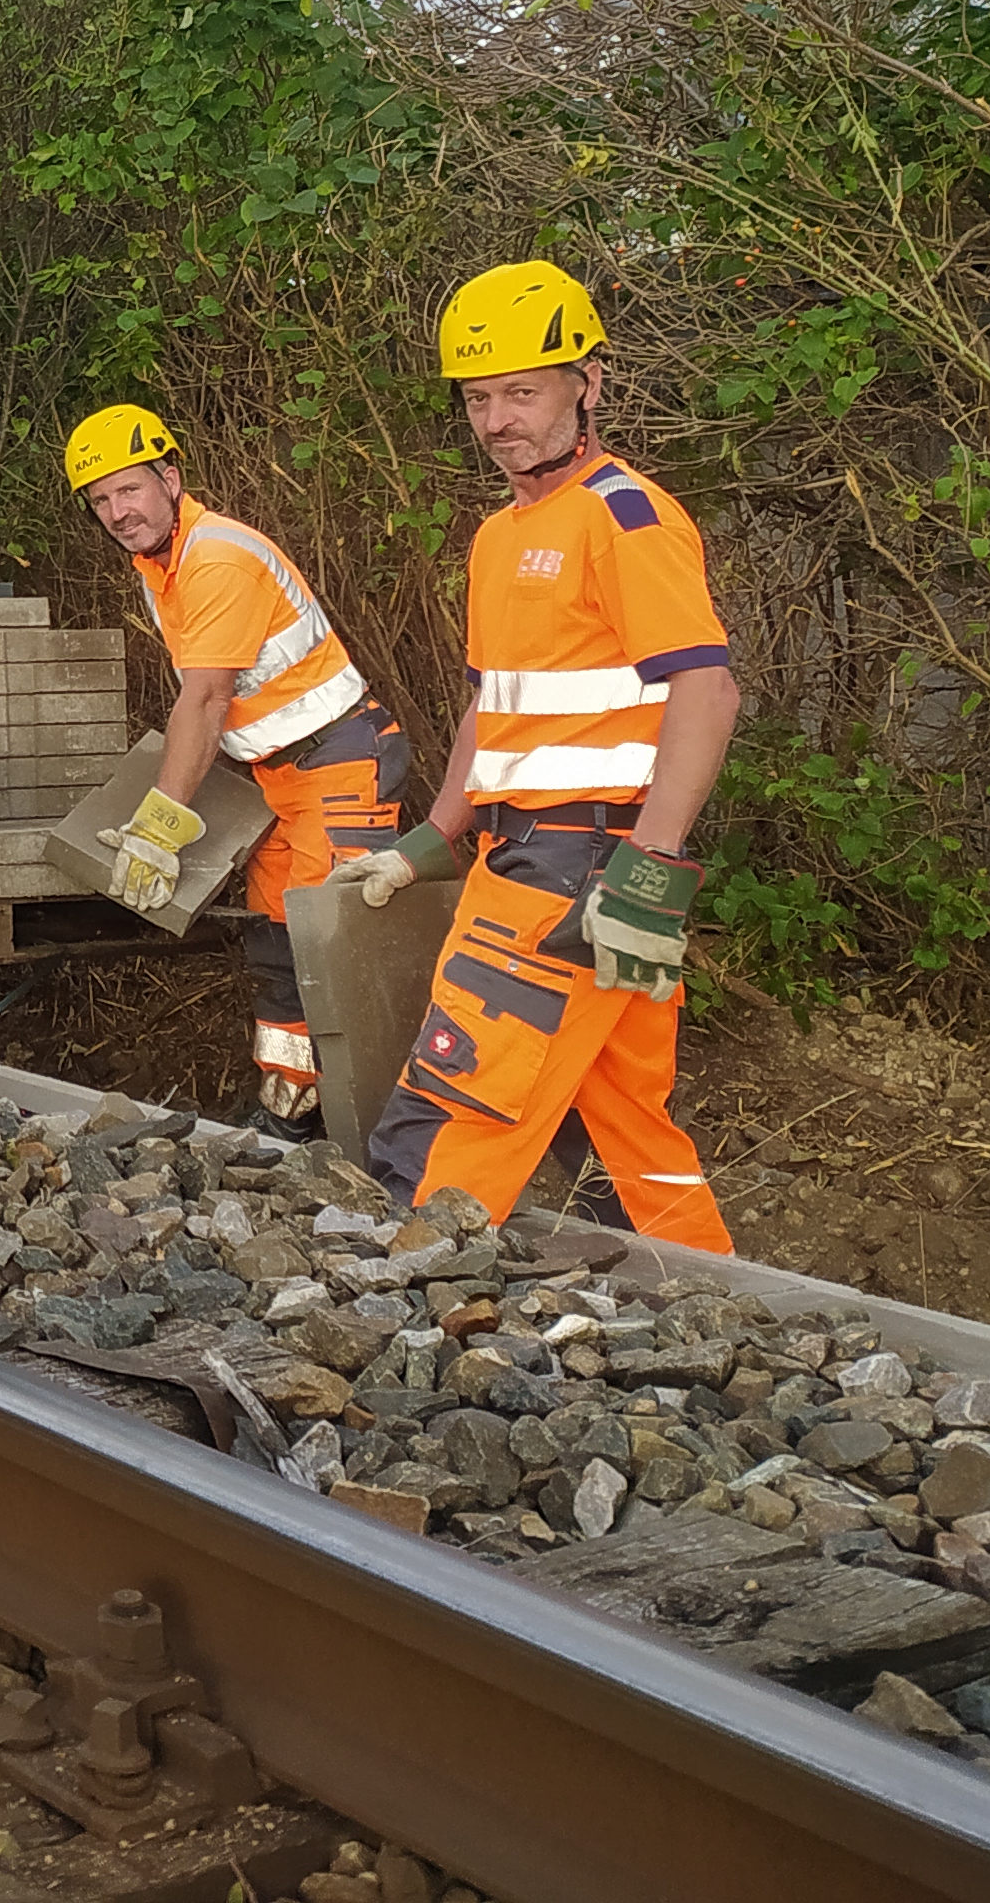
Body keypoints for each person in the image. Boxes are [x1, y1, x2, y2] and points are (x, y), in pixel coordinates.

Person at [339, 262, 738, 1249]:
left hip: (582, 863)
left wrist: (650, 866)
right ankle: (716, 1312)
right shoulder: (498, 536)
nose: (498, 420)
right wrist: (432, 838)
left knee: (457, 1093)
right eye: (479, 398)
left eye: (522, 391)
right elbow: (496, 705)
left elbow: (707, 690)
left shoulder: (622, 518)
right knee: (620, 1126)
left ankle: (381, 1305)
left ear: (587, 385)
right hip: (519, 854)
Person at [64, 406, 409, 1138]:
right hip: (283, 779)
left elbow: (208, 697)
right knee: (278, 946)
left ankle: (383, 1138)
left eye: (128, 491)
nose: (117, 512)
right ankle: (292, 1107)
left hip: (341, 765)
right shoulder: (163, 562)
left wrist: (159, 826)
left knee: (336, 955)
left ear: (170, 479)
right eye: (100, 501)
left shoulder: (214, 558)